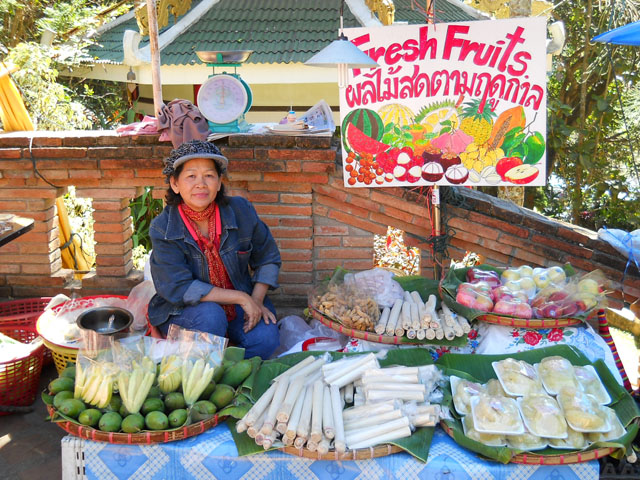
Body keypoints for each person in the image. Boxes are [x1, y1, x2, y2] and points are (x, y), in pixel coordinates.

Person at [147, 140, 281, 359]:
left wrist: (255, 301)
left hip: (239, 300)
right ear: (175, 184)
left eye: (209, 175)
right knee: (211, 317)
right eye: (191, 176)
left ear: (219, 183)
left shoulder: (241, 210)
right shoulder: (163, 228)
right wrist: (241, 298)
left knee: (266, 340)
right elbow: (180, 287)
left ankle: (221, 359)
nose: (201, 184)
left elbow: (268, 257)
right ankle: (204, 356)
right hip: (185, 308)